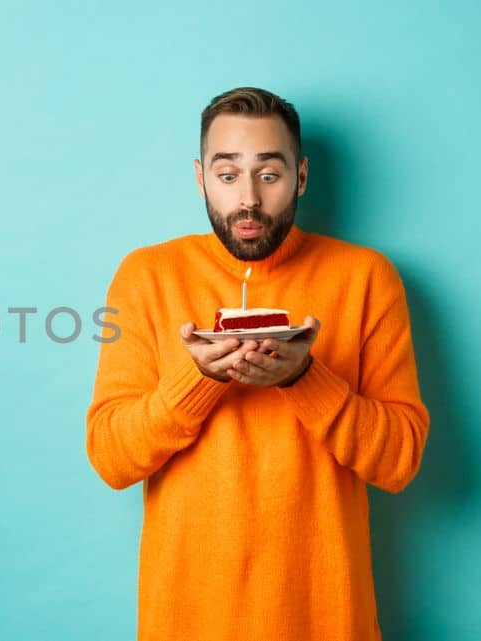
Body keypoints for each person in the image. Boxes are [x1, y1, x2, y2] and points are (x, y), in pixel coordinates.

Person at [85, 87, 430, 640]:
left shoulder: (367, 277)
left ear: (301, 176)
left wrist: (303, 378)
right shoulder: (145, 276)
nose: (248, 199)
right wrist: (197, 380)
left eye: (268, 174)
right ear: (201, 178)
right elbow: (111, 457)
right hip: (188, 618)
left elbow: (400, 461)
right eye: (227, 176)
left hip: (325, 616)